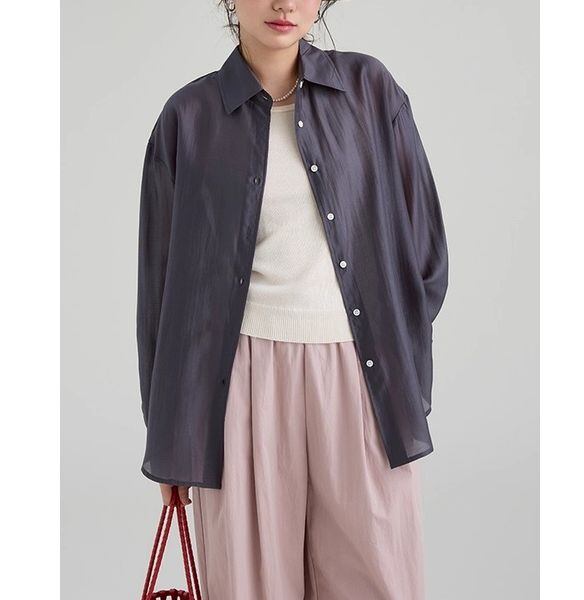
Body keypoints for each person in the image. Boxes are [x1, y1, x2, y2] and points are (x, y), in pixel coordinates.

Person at [137, 1, 449, 598]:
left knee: (377, 579)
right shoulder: (189, 118)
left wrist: (400, 352)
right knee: (252, 584)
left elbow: (426, 252)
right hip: (240, 383)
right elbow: (162, 294)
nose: (284, 3)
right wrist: (172, 436)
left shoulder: (370, 90)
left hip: (360, 377)